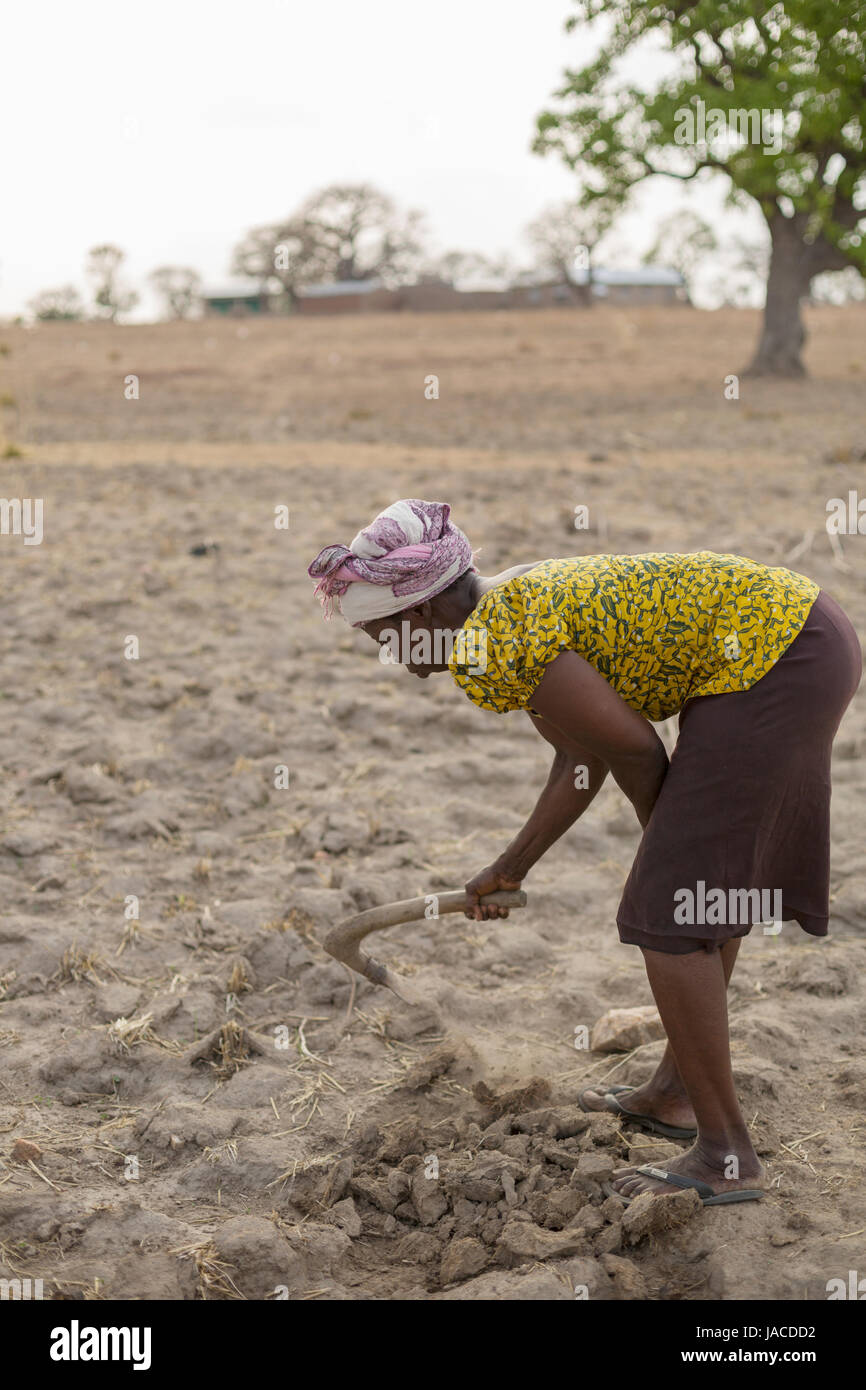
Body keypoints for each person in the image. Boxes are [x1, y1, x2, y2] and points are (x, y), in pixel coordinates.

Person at [308, 499, 862, 1206]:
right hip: (796, 635)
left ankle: (728, 1157)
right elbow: (582, 753)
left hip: (779, 656)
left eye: (381, 636)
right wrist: (512, 867)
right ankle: (673, 1094)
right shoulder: (502, 611)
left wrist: (664, 838)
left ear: (417, 615)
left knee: (671, 910)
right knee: (691, 896)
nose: (389, 656)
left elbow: (633, 746)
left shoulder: (494, 641)